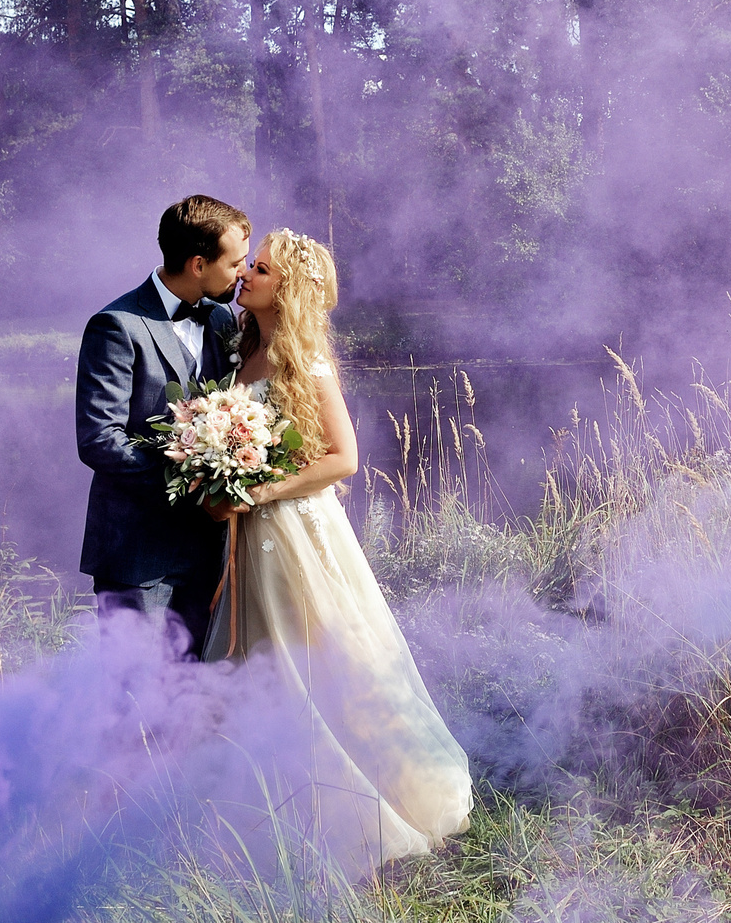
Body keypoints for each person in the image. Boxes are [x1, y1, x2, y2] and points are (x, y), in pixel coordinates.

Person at [204, 226, 472, 873]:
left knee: (325, 662)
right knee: (257, 663)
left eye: (260, 269)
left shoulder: (309, 362)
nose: (247, 276)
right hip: (251, 535)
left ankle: (363, 809)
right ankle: (258, 806)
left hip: (298, 530)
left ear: (285, 288)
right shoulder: (240, 354)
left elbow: (344, 458)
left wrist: (265, 488)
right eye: (250, 266)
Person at [74, 194, 250, 658]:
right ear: (198, 263)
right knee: (138, 700)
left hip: (210, 552)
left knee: (196, 696)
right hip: (138, 556)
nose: (241, 273)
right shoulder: (116, 325)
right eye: (235, 262)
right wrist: (195, 484)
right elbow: (99, 441)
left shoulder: (220, 317)